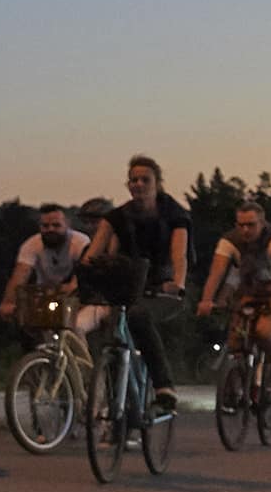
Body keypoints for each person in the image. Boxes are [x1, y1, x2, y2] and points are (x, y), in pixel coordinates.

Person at [80, 156, 190, 411]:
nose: (138, 184)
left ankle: (164, 387)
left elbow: (179, 255)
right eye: (133, 180)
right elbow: (92, 254)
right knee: (110, 332)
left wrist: (177, 282)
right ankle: (111, 399)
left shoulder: (174, 215)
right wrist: (85, 274)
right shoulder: (116, 217)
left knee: (138, 316)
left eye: (145, 180)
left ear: (157, 183)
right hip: (127, 286)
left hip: (160, 287)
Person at [198, 200, 271, 402]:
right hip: (251, 292)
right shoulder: (229, 240)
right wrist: (206, 300)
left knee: (264, 331)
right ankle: (235, 386)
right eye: (241, 225)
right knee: (236, 339)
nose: (245, 230)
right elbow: (216, 273)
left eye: (251, 225)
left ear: (262, 223)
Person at [0, 203, 94, 337]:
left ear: (67, 224)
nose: (50, 229)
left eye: (56, 225)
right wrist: (8, 302)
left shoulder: (80, 242)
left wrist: (73, 287)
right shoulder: (31, 244)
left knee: (77, 326)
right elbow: (21, 273)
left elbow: (83, 274)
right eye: (45, 226)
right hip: (46, 295)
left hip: (76, 295)